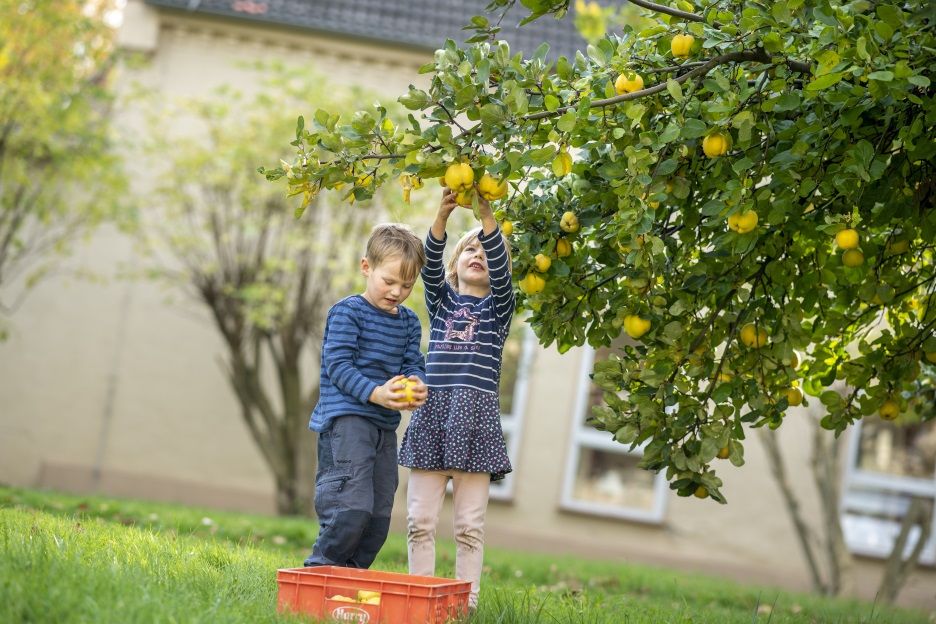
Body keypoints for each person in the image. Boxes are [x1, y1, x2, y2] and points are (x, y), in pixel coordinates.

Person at [399, 187, 515, 609]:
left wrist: (486, 218)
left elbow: (499, 267)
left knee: (469, 527)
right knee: (419, 521)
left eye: (485, 251)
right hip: (433, 418)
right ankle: (419, 599)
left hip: (475, 426)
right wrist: (442, 218)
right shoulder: (443, 304)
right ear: (456, 264)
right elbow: (429, 269)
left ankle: (466, 606)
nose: (478, 254)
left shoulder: (498, 311)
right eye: (469, 249)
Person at [303, 223, 429, 569]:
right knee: (350, 507)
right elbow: (338, 366)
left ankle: (351, 577)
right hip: (347, 422)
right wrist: (376, 393)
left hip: (383, 427)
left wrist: (417, 382)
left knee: (377, 517)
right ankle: (319, 569)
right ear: (366, 267)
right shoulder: (348, 312)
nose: (397, 292)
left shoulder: (408, 322)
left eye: (407, 285)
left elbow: (413, 363)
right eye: (389, 281)